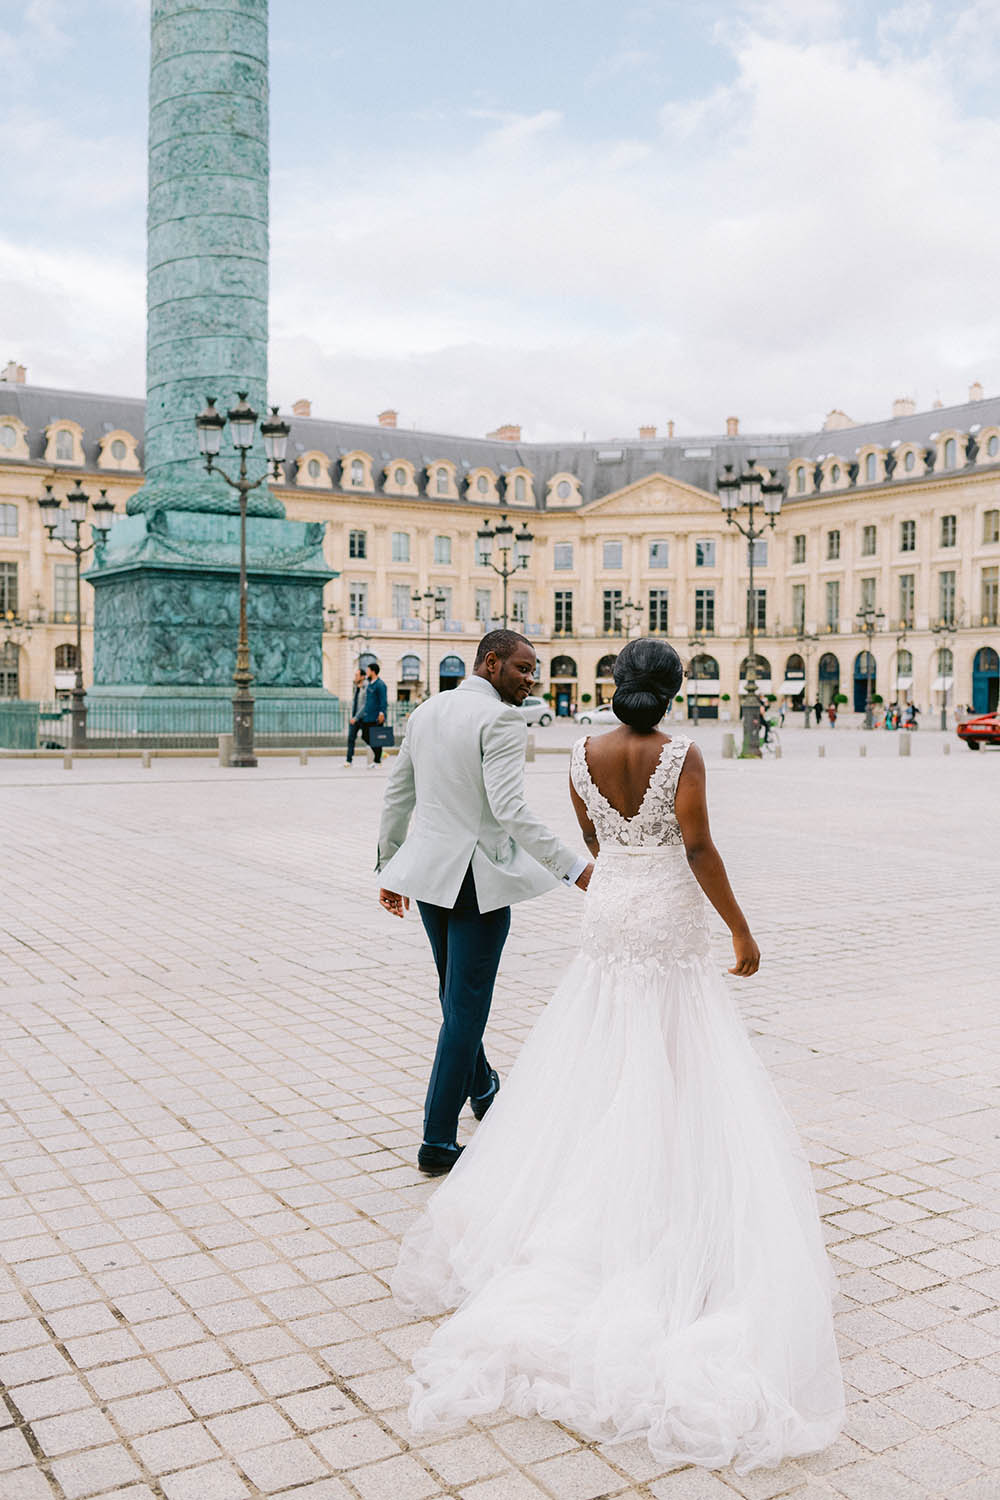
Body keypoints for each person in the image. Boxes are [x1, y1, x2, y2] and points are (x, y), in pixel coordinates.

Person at [391, 637, 845, 1475]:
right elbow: (698, 848)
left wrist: (621, 878)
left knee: (597, 1050)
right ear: (673, 691)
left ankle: (580, 1192)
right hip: (666, 908)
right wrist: (741, 929)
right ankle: (670, 1184)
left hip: (611, 909)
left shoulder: (580, 752)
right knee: (679, 1050)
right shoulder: (681, 752)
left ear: (614, 685)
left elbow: (593, 839)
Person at [376, 629, 593, 1176]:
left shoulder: (425, 710)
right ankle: (437, 1140)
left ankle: (483, 1087)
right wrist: (574, 868)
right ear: (491, 663)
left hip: (429, 878)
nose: (531, 679)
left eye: (535, 669)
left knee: (454, 997)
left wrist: (390, 864)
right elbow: (512, 810)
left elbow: (399, 792)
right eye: (523, 668)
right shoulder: (499, 719)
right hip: (475, 880)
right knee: (465, 1010)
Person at [360, 661, 388, 765]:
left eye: (368, 670)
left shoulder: (380, 684)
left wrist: (382, 713)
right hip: (367, 716)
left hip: (376, 717)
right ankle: (380, 754)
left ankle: (377, 760)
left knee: (377, 739)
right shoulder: (369, 684)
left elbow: (383, 700)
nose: (366, 672)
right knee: (365, 736)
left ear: (373, 671)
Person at [343, 666, 367, 767]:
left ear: (362, 676)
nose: (355, 677)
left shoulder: (366, 687)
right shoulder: (356, 687)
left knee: (367, 737)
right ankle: (349, 760)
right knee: (351, 738)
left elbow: (365, 705)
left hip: (362, 717)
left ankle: (377, 754)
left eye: (357, 675)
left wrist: (356, 717)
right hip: (355, 717)